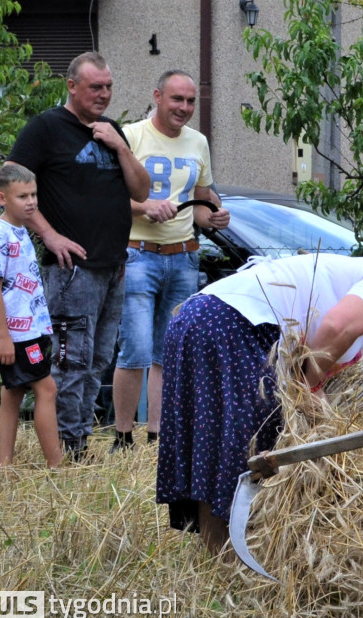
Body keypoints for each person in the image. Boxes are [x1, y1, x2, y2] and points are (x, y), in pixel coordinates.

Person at [156, 252, 363, 553]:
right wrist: (306, 389)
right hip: (230, 326)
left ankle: (216, 555)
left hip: (198, 319)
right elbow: (336, 327)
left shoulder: (352, 281)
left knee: (213, 445)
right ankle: (226, 555)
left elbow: (317, 347)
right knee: (245, 446)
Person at [7, 51, 150, 462]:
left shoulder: (111, 130)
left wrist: (120, 146)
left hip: (112, 266)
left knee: (99, 359)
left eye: (108, 87)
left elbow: (140, 192)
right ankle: (70, 447)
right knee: (72, 361)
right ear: (72, 86)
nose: (103, 95)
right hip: (73, 270)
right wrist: (50, 235)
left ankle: (81, 438)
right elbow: (10, 181)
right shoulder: (47, 128)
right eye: (95, 88)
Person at [110, 70, 231, 454]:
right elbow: (107, 198)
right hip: (137, 253)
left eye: (191, 101)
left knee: (169, 350)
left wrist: (214, 215)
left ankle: (157, 437)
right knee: (137, 348)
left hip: (183, 257)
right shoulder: (132, 135)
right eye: (177, 99)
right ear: (158, 96)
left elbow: (198, 199)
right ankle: (123, 437)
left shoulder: (198, 142)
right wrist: (144, 207)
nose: (184, 108)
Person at [0, 164, 63, 468]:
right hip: (16, 333)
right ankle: (56, 466)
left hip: (33, 326)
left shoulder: (20, 229)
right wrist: (3, 336)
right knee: (47, 388)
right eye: (22, 196)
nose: (30, 201)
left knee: (12, 392)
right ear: (2, 198)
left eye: (33, 194)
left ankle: (2, 467)